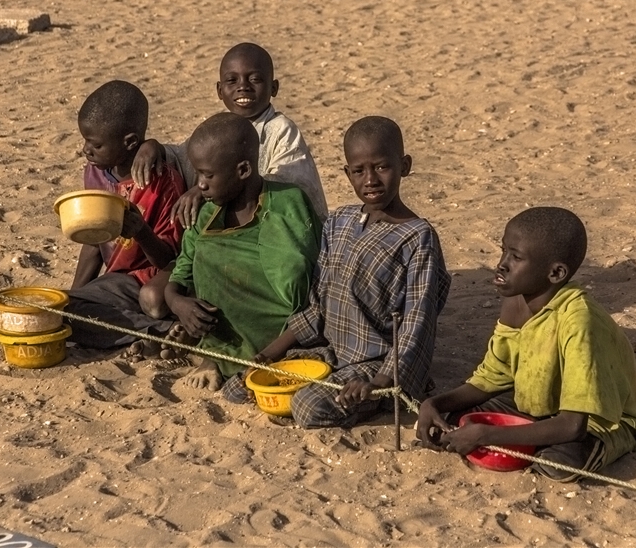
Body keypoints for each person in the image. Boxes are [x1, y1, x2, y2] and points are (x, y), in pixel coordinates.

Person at [415, 207, 636, 482]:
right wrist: (435, 402)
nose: (502, 264)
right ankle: (529, 434)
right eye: (503, 251)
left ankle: (535, 438)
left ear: (556, 273)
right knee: (457, 420)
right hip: (537, 403)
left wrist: (488, 435)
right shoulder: (515, 303)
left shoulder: (579, 320)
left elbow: (574, 425)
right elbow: (491, 378)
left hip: (593, 421)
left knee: (560, 462)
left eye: (516, 257)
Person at [250, 116, 451, 428]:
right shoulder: (339, 222)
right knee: (243, 385)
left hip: (380, 363)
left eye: (382, 167)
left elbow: (417, 320)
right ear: (347, 173)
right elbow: (318, 305)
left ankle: (382, 397)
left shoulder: (417, 236)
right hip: (334, 351)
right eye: (359, 171)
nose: (370, 179)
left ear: (405, 166)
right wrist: (268, 353)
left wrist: (382, 379)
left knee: (308, 407)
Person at [164, 112, 321, 392]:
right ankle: (214, 356)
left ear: (244, 170)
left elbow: (309, 279)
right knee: (208, 253)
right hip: (220, 331)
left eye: (208, 175)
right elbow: (182, 268)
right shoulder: (208, 213)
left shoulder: (289, 203)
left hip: (286, 334)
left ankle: (247, 357)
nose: (199, 185)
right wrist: (177, 302)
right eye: (198, 173)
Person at [131, 42, 328, 224]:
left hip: (270, 230)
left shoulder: (281, 130)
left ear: (274, 88)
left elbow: (288, 185)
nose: (243, 87)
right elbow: (184, 158)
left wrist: (207, 189)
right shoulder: (219, 127)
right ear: (219, 90)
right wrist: (154, 147)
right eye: (232, 80)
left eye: (255, 79)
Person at [65, 80, 185, 349]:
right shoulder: (95, 173)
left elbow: (171, 258)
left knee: (140, 304)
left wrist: (141, 232)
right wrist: (72, 299)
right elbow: (94, 243)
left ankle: (158, 332)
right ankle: (156, 334)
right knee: (67, 315)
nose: (86, 150)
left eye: (95, 145)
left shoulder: (162, 183)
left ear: (130, 142)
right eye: (85, 141)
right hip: (119, 280)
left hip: (154, 279)